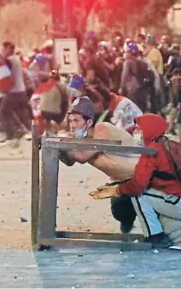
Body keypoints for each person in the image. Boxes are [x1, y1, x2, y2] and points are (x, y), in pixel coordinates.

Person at [90, 114, 181, 248]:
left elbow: (137, 186)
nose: (135, 133)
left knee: (138, 195)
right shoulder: (169, 144)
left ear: (149, 130)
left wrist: (116, 190)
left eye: (138, 130)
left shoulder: (150, 151)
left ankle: (155, 236)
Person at [59, 96, 142, 233]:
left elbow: (82, 157)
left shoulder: (102, 128)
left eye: (76, 120)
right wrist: (55, 149)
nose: (72, 125)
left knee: (143, 209)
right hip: (121, 180)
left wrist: (59, 146)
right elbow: (69, 162)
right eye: (70, 121)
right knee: (119, 211)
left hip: (142, 175)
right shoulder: (80, 138)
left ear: (89, 121)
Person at [0, 41, 31, 140]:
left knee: (3, 112)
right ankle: (24, 130)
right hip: (21, 90)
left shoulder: (10, 60)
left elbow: (2, 62)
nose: (3, 51)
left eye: (4, 49)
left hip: (14, 91)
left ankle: (11, 134)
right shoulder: (17, 58)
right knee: (17, 112)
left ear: (9, 49)